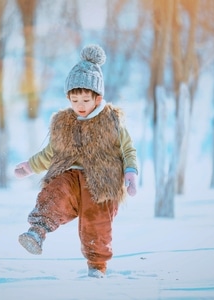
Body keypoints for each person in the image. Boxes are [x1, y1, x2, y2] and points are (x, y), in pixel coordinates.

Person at [14, 44, 138, 278]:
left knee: (96, 223)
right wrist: (30, 166)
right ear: (68, 98)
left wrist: (130, 173)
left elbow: (127, 149)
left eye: (84, 100)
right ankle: (37, 231)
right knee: (55, 191)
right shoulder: (64, 123)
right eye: (74, 100)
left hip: (101, 183)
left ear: (97, 97)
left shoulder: (111, 121)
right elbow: (51, 152)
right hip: (71, 177)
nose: (79, 106)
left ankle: (96, 267)